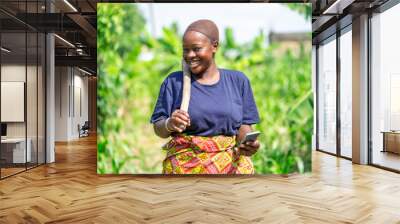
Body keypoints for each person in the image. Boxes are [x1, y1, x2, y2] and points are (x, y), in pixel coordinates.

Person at [150, 19, 260, 174]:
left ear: (214, 46)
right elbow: (158, 128)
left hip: (229, 168)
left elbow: (243, 126)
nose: (190, 55)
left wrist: (248, 143)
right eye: (185, 50)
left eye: (196, 49)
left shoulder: (238, 81)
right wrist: (170, 123)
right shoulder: (174, 82)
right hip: (185, 169)